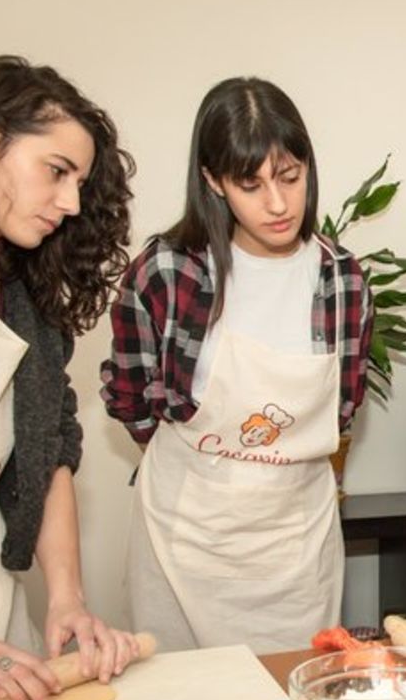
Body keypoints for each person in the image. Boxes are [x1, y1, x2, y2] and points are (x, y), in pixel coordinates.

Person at [101, 77, 374, 654]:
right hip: (183, 540)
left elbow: (342, 409)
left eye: (290, 177)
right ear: (213, 181)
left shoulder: (342, 281)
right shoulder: (167, 274)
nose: (277, 204)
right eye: (250, 184)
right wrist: (209, 466)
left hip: (295, 547)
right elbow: (129, 395)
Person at [0, 55, 140, 700]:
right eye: (56, 171)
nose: (72, 202)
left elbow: (51, 449)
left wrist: (68, 598)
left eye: (80, 182)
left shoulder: (20, 289)